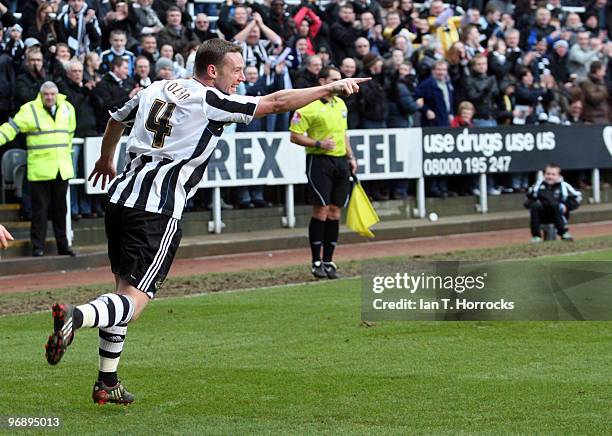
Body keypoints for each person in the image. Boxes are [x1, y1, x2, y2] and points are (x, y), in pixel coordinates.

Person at [45, 38, 368, 405]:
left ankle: (107, 381)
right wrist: (329, 87)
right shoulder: (208, 98)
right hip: (158, 208)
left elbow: (115, 119)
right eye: (236, 70)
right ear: (212, 70)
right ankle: (77, 316)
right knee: (132, 302)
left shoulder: (156, 87)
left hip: (120, 200)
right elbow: (275, 102)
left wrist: (106, 158)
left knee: (121, 291)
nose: (242, 78)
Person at [289, 66, 357, 280]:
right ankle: (315, 261)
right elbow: (294, 136)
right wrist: (318, 143)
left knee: (335, 211)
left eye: (341, 79)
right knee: (321, 210)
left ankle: (329, 260)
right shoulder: (307, 107)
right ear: (323, 81)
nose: (341, 82)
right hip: (319, 161)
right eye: (335, 79)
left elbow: (343, 133)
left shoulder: (341, 104)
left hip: (340, 162)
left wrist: (351, 156)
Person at [0, 82, 76, 257]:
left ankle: (63, 246)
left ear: (57, 94)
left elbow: (70, 135)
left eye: (52, 94)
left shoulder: (67, 109)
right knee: (39, 212)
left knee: (61, 211)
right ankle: (38, 247)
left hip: (61, 168)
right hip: (39, 170)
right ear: (41, 95)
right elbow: (11, 129)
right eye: (46, 94)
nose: (49, 97)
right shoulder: (29, 110)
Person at [525, 164, 581, 243]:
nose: (550, 177)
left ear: (558, 175)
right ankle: (536, 236)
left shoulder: (564, 186)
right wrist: (533, 204)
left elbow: (577, 198)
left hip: (559, 215)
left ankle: (563, 233)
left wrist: (567, 206)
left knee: (555, 205)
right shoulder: (537, 186)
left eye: (553, 174)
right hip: (542, 216)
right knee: (535, 206)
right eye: (548, 174)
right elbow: (528, 200)